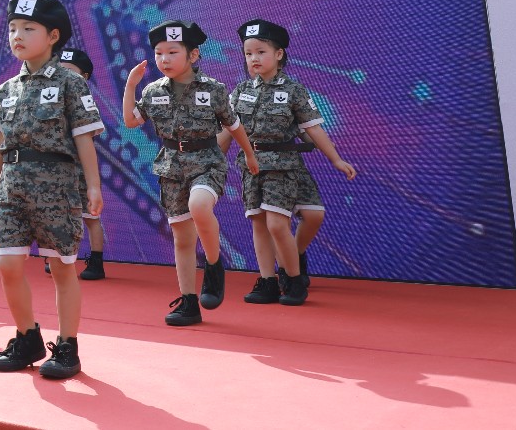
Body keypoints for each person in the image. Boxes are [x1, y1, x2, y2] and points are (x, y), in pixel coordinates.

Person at [0, 0, 104, 378]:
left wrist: (93, 186)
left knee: (62, 268)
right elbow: (0, 141)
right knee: (7, 264)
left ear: (53, 36)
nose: (17, 35)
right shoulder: (7, 88)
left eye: (28, 28)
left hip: (57, 186)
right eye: (12, 29)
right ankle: (27, 338)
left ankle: (67, 347)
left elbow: (84, 136)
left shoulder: (70, 82)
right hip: (12, 186)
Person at [122, 21, 258, 325]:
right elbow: (131, 121)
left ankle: (214, 264)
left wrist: (249, 154)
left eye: (172, 52)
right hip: (171, 167)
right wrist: (131, 85)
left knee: (199, 205)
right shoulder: (153, 91)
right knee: (182, 239)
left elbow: (234, 125)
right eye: (159, 53)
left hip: (207, 161)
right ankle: (188, 302)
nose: (164, 59)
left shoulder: (214, 89)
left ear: (193, 55)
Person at [225, 20, 358, 307]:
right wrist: (214, 163)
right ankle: (267, 281)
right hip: (251, 167)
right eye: (248, 53)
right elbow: (226, 131)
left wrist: (335, 159)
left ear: (279, 54)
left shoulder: (294, 90)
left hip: (283, 166)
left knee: (277, 224)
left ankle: (293, 277)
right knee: (259, 224)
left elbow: (313, 128)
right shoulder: (239, 91)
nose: (254, 58)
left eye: (261, 52)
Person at [43, 48, 109, 281]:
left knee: (90, 216)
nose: (63, 75)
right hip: (54, 167)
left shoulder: (83, 100)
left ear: (85, 77)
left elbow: (87, 136)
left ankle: (96, 261)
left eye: (70, 71)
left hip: (78, 167)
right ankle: (56, 256)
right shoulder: (48, 98)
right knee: (55, 213)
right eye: (59, 69)